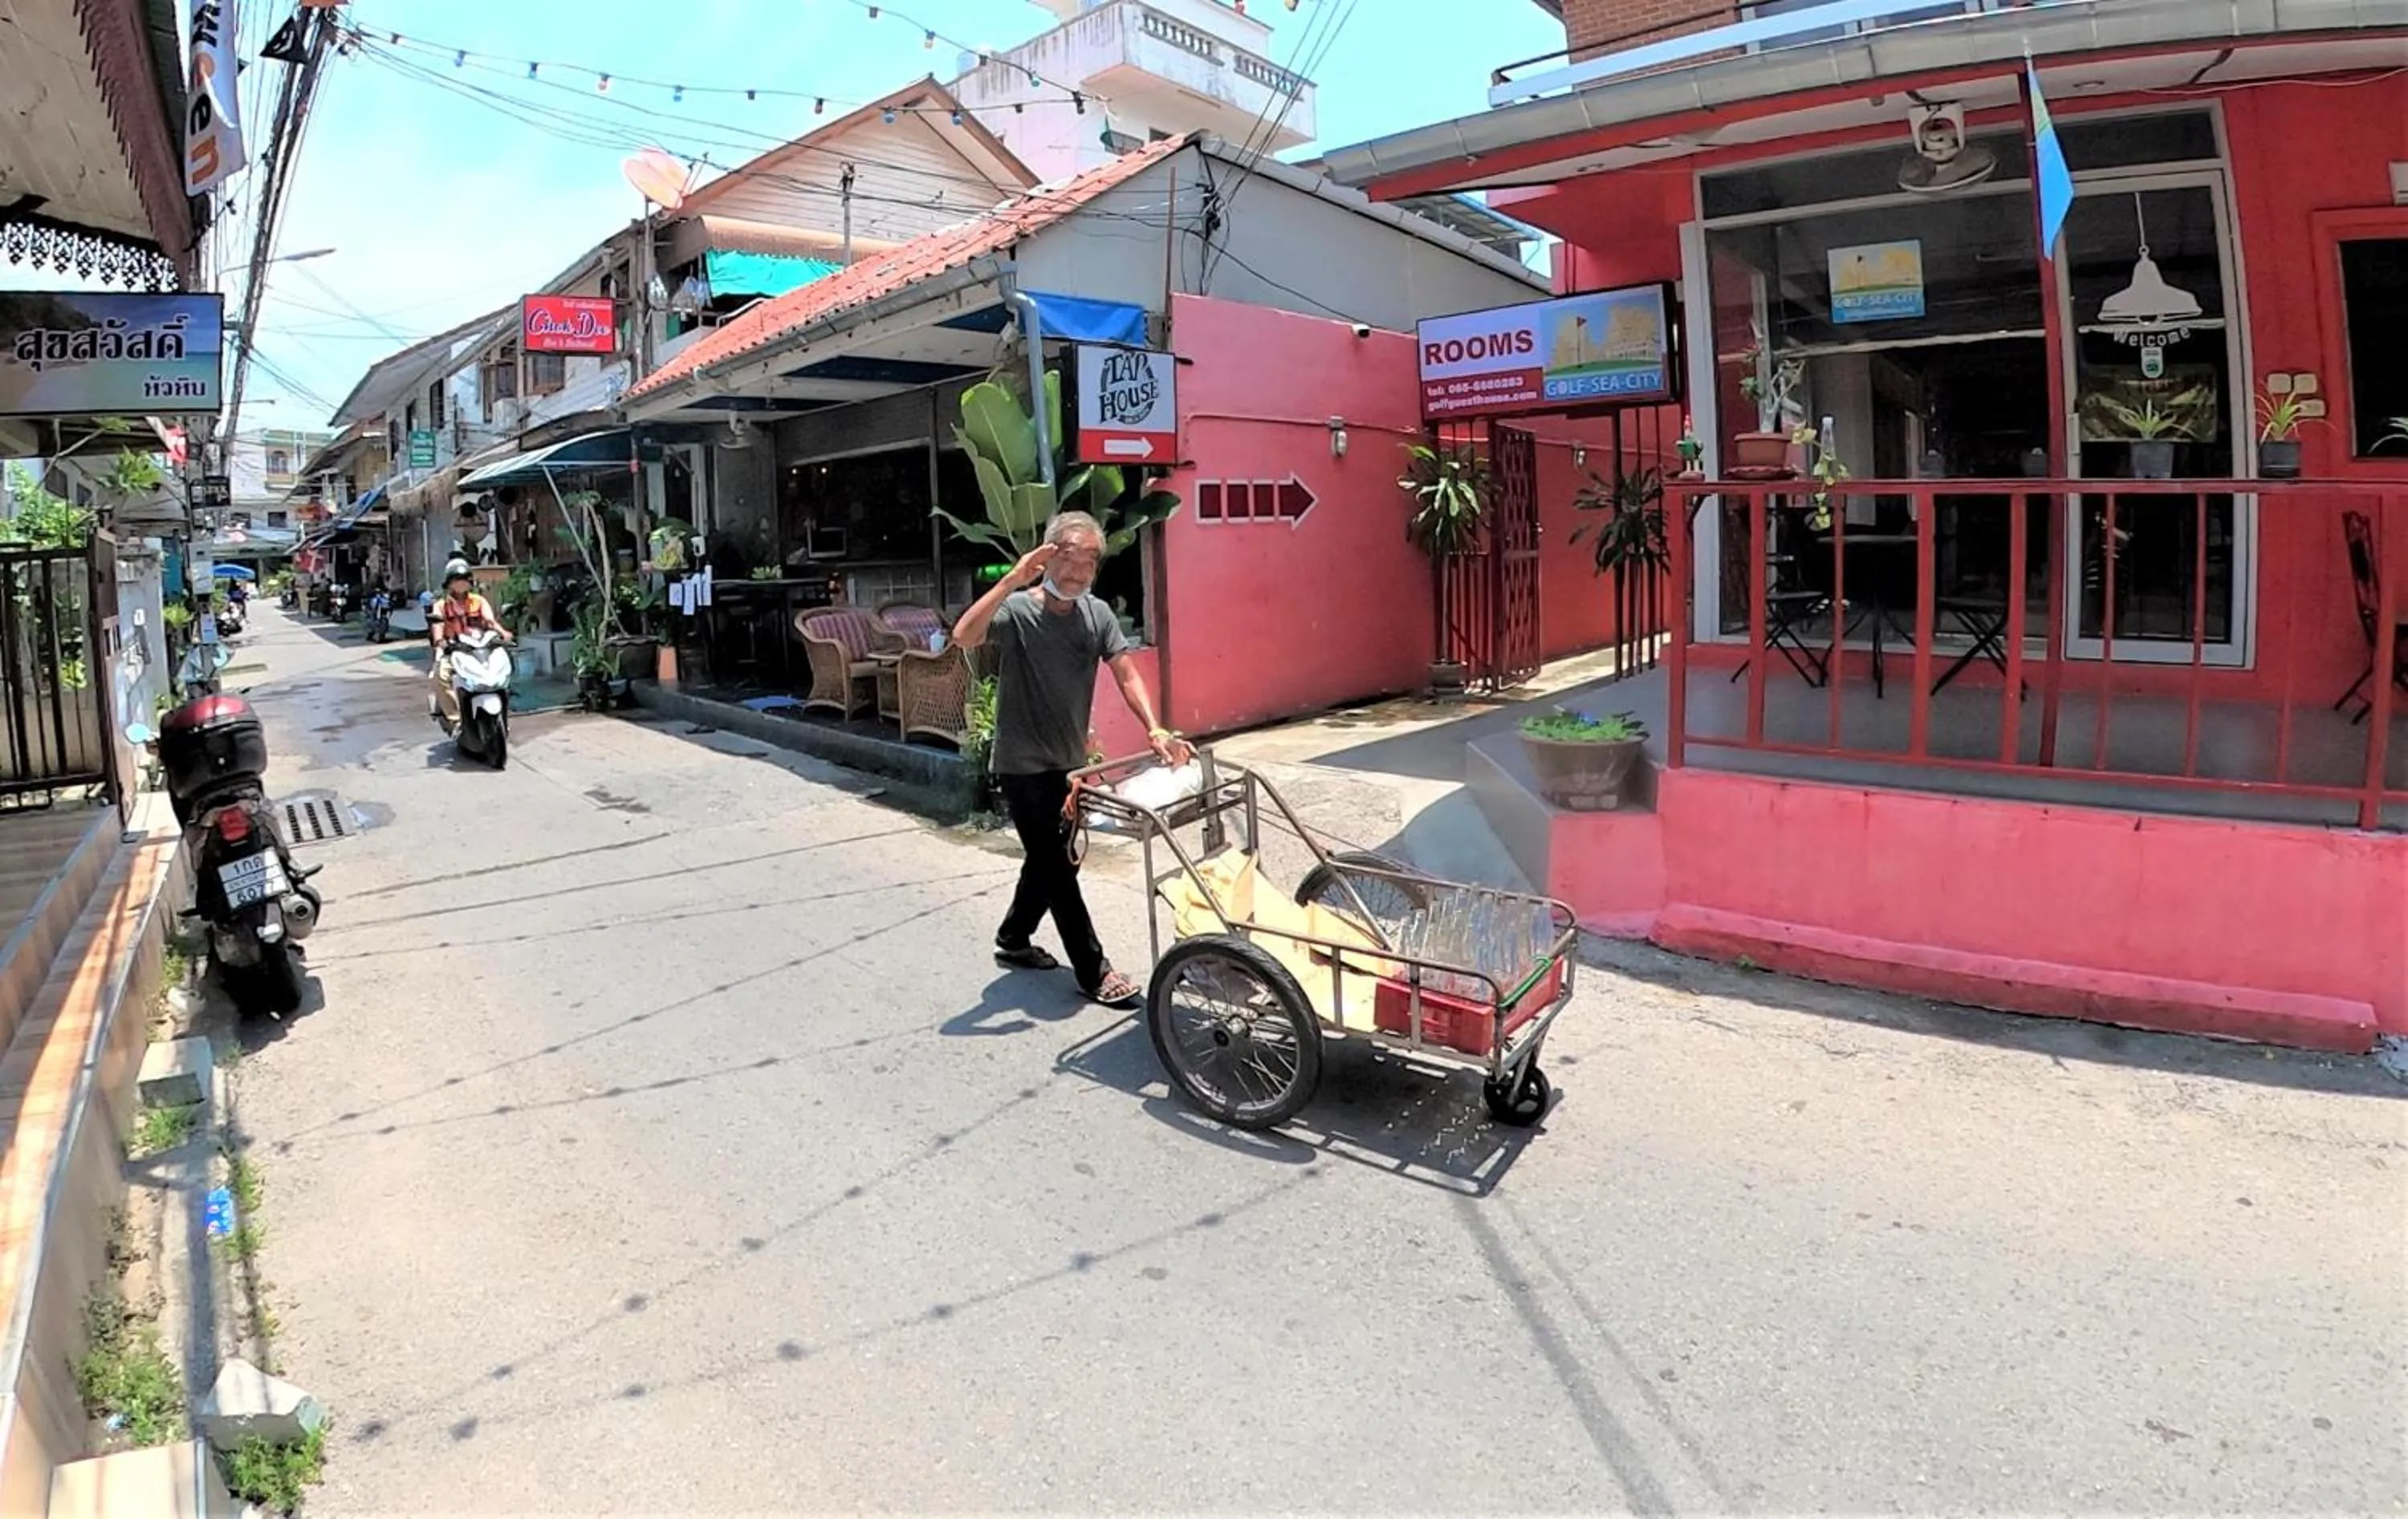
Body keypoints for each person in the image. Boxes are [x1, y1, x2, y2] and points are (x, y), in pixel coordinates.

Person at [952, 511, 1190, 1010]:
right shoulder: (1019, 610)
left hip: (1070, 764)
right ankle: (1093, 969)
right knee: (1057, 868)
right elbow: (965, 636)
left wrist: (1156, 728)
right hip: (1020, 763)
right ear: (1049, 556)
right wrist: (1016, 577)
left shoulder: (1096, 615)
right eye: (1071, 558)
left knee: (1054, 861)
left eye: (1090, 562)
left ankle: (1014, 936)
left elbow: (1126, 674)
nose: (1080, 572)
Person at [428, 560, 510, 730]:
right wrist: (441, 643)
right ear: (449, 583)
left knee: (503, 671)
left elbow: (490, 621)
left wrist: (504, 633)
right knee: (441, 677)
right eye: (457, 579)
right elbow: (438, 629)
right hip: (453, 649)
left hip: (478, 649)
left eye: (465, 579)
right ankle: (455, 719)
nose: (461, 583)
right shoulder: (441, 605)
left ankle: (503, 716)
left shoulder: (478, 601)